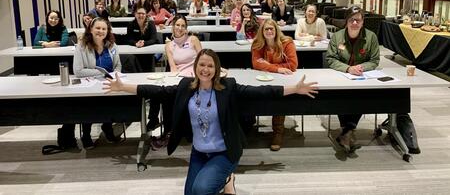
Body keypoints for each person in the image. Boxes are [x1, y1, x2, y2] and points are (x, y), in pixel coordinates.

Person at [103, 49, 318, 195]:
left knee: (202, 190)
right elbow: (156, 91)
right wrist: (123, 87)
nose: (205, 70)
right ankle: (224, 181)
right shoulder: (186, 86)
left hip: (224, 152)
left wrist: (294, 89)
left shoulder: (228, 88)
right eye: (201, 65)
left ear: (217, 69)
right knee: (192, 193)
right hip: (199, 152)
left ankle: (227, 178)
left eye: (210, 66)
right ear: (196, 67)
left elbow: (262, 91)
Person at [326, 5, 380, 153]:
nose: (354, 23)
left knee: (363, 95)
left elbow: (374, 60)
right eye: (351, 20)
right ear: (347, 21)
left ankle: (347, 132)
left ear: (363, 22)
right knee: (339, 95)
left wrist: (361, 67)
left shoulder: (371, 37)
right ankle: (348, 131)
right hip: (340, 76)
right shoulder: (337, 36)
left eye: (358, 20)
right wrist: (348, 69)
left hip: (362, 78)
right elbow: (330, 58)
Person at [67, 17, 121, 149]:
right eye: (97, 28)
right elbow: (78, 71)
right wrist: (101, 73)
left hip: (108, 83)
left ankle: (107, 127)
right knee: (90, 105)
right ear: (90, 29)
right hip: (89, 85)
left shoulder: (112, 46)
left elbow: (118, 66)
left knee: (111, 102)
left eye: (104, 29)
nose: (100, 31)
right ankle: (86, 134)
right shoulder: (81, 46)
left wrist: (114, 75)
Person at [251, 19, 298, 151]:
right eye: (266, 29)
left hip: (283, 80)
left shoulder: (287, 42)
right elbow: (256, 63)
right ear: (262, 31)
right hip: (263, 79)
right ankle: (248, 124)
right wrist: (277, 68)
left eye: (272, 28)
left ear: (277, 30)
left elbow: (293, 65)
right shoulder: (257, 43)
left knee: (279, 97)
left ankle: (278, 131)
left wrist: (266, 65)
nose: (269, 31)